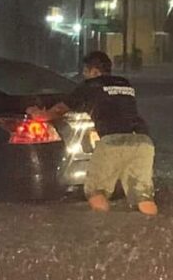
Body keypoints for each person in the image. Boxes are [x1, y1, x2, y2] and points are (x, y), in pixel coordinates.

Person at [27, 51, 157, 215]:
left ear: (94, 71)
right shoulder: (125, 83)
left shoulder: (90, 85)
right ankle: (149, 223)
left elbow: (59, 110)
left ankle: (102, 231)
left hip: (112, 142)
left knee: (96, 192)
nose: (83, 74)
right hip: (142, 141)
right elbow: (112, 104)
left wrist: (37, 113)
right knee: (143, 197)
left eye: (85, 71)